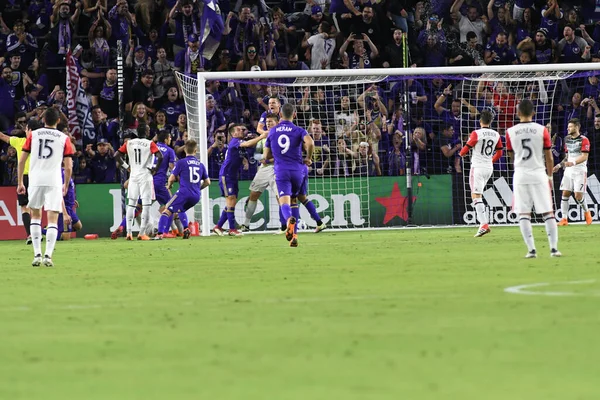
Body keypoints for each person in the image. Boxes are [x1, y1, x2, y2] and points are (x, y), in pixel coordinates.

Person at [17, 108, 74, 267]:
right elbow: (68, 166)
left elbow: (21, 160)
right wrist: (66, 184)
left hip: (35, 180)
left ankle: (37, 255)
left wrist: (20, 182)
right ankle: (48, 255)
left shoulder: (33, 135)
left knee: (35, 216)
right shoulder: (64, 138)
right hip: (53, 180)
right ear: (58, 121)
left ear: (43, 120)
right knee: (52, 219)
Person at [506, 99, 561, 258]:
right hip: (538, 173)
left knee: (524, 213)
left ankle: (531, 250)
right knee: (548, 212)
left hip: (521, 173)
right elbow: (549, 157)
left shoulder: (510, 132)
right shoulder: (542, 130)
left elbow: (511, 155)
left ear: (517, 113)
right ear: (533, 113)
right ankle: (553, 249)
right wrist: (549, 175)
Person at [264, 103, 315, 247]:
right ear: (295, 114)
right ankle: (294, 236)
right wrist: (309, 158)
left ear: (280, 115)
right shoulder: (299, 130)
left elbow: (266, 154)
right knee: (294, 202)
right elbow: (310, 143)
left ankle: (288, 222)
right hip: (297, 171)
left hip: (281, 170)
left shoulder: (273, 131)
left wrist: (270, 157)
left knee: (284, 203)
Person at [213, 123, 266, 237]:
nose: (242, 130)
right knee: (231, 200)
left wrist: (244, 160)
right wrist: (262, 136)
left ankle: (218, 227)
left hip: (233, 176)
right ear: (233, 133)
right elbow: (247, 144)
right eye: (239, 129)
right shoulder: (235, 142)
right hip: (226, 175)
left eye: (243, 129)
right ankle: (232, 229)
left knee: (231, 202)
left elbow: (241, 151)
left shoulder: (238, 143)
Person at [459, 110, 503, 237]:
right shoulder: (496, 135)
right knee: (478, 195)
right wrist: (490, 160)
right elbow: (500, 153)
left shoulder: (476, 133)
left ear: (480, 121)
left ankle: (483, 224)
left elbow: (465, 150)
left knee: (476, 196)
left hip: (477, 167)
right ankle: (483, 223)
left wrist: (461, 154)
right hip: (489, 168)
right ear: (490, 121)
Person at [155, 140, 210, 240]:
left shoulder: (181, 162)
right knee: (180, 209)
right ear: (196, 150)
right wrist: (198, 188)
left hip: (184, 192)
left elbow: (171, 178)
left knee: (166, 209)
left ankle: (159, 234)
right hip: (196, 196)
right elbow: (208, 182)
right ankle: (185, 229)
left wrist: (169, 185)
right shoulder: (201, 165)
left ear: (184, 150)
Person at [115, 131, 163, 241]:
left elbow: (116, 155)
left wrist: (127, 166)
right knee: (146, 205)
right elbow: (160, 156)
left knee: (131, 205)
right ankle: (141, 233)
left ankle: (129, 233)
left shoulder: (129, 143)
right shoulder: (150, 143)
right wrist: (155, 169)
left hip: (133, 175)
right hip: (145, 175)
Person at [0, 120, 43, 244]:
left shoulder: (20, 142)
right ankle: (37, 234)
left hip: (24, 178)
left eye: (27, 128)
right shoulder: (42, 145)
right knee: (37, 208)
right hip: (39, 177)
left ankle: (30, 234)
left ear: (29, 130)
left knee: (25, 208)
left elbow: (2, 136)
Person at [553, 118, 593, 226]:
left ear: (577, 127)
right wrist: (558, 165)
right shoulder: (567, 139)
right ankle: (564, 219)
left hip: (580, 171)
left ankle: (587, 212)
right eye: (568, 126)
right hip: (569, 171)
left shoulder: (584, 140)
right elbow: (567, 157)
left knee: (578, 196)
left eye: (570, 126)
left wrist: (573, 163)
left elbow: (584, 157)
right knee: (565, 193)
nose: (568, 128)